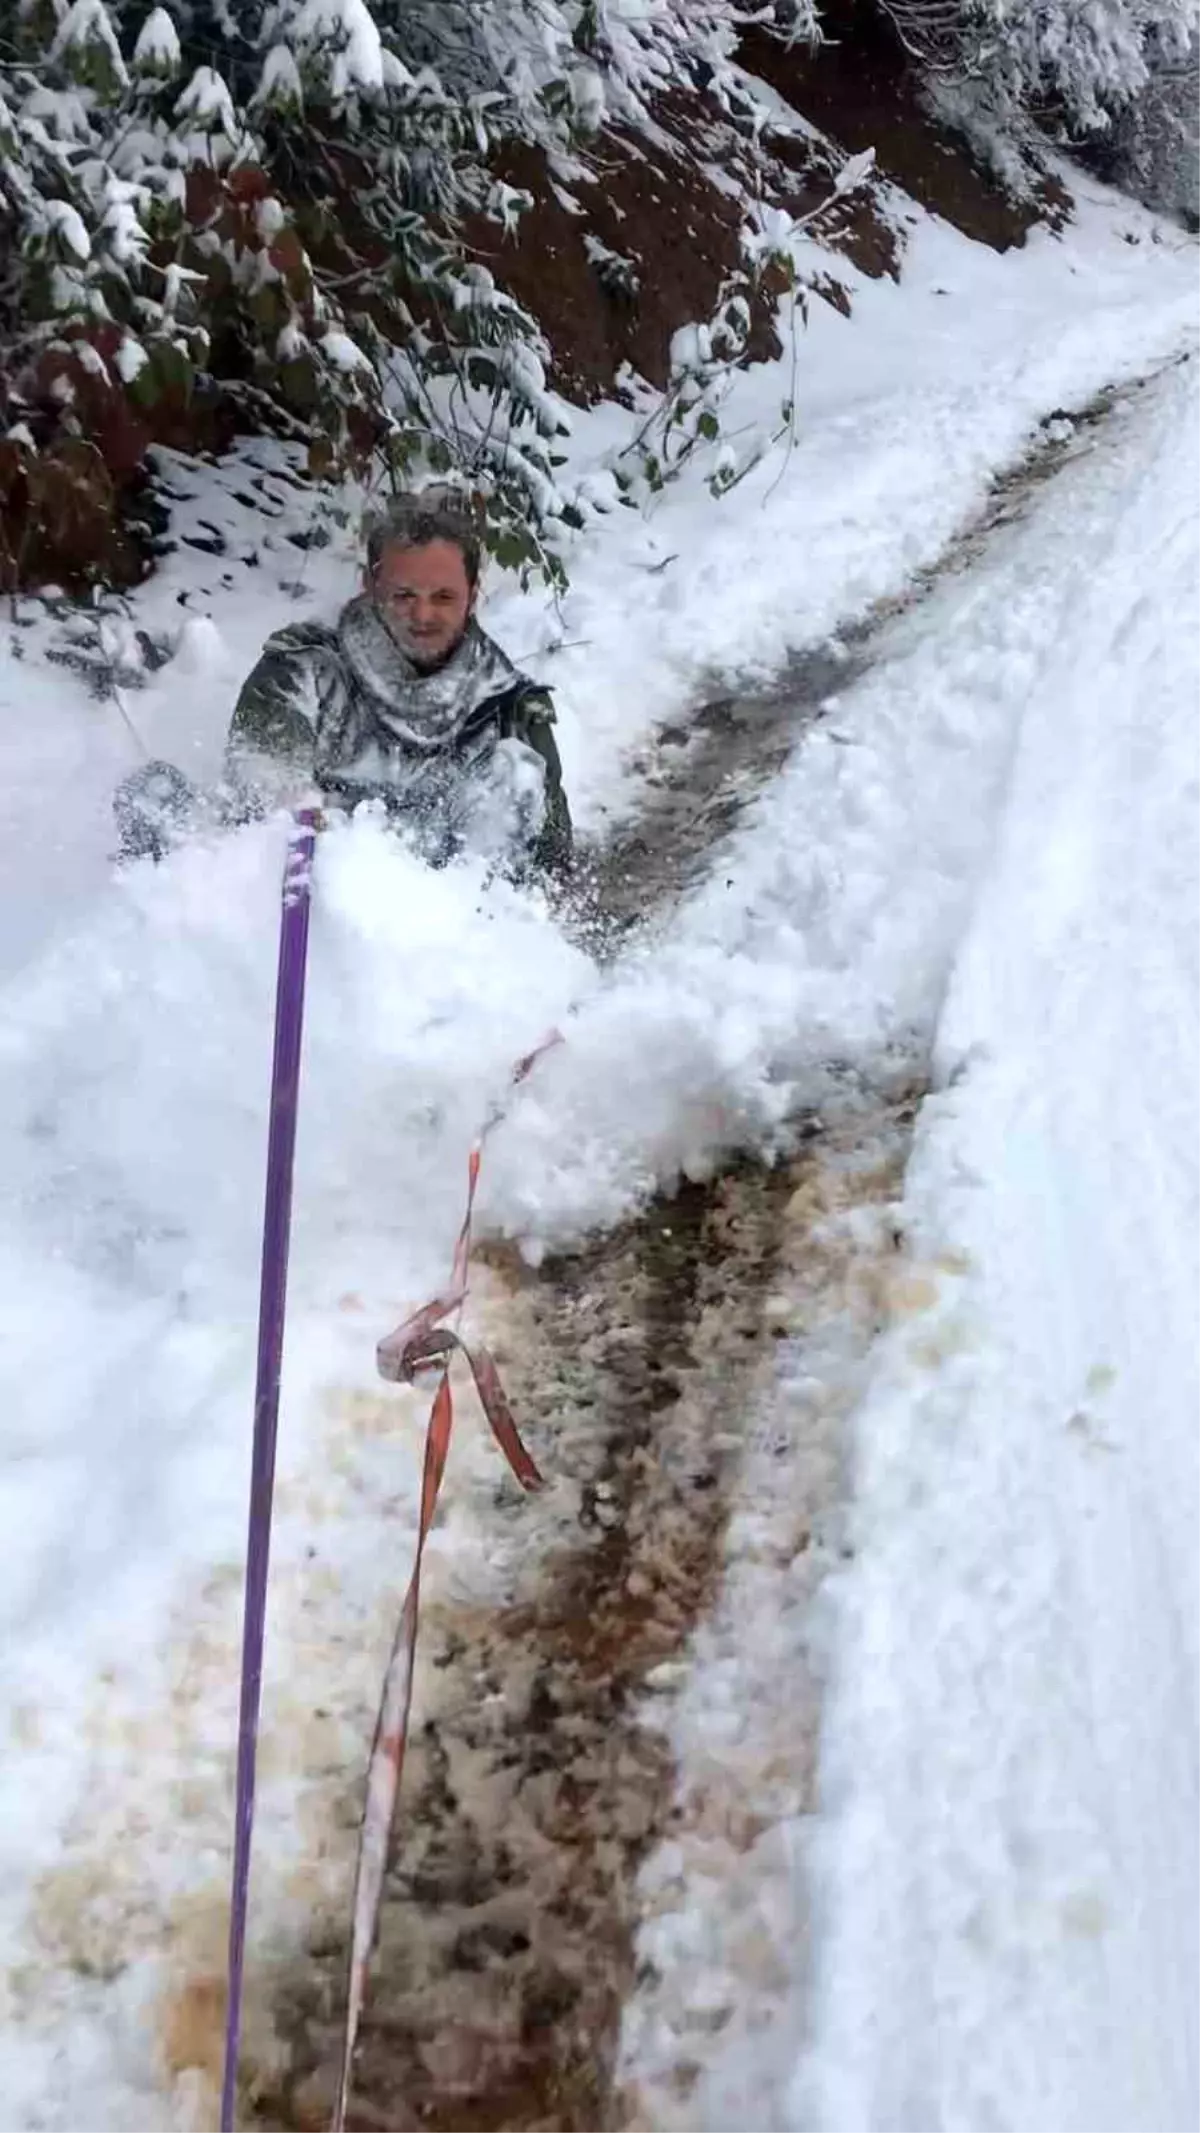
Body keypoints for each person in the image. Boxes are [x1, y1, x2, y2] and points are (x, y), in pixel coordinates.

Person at [115, 489, 571, 876]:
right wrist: (290, 805)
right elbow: (260, 792)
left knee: (514, 774)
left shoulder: (509, 706)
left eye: (444, 597)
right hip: (313, 908)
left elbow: (552, 865)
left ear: (473, 595)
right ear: (369, 587)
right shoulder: (303, 671)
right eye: (404, 594)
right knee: (157, 799)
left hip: (451, 939)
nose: (423, 615)